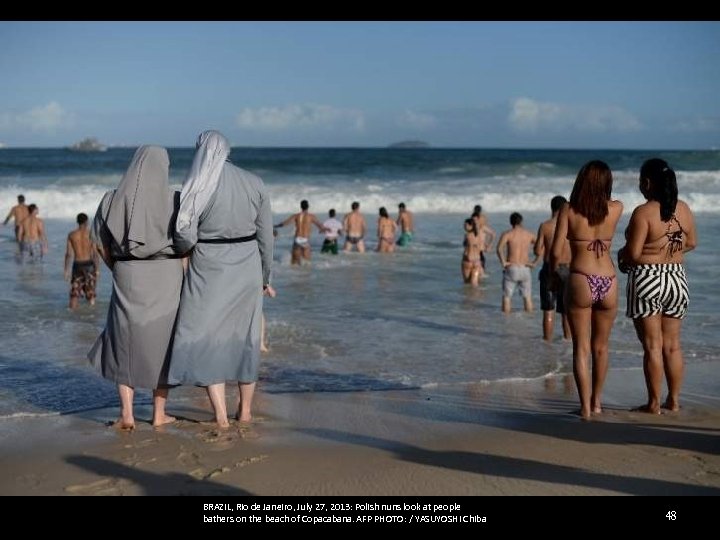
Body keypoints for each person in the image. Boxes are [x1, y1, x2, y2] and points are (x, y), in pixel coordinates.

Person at [168, 130, 275, 429]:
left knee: (206, 339)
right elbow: (266, 236)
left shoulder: (198, 183)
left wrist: (180, 250)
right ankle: (245, 412)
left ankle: (220, 415)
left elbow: (185, 236)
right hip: (248, 265)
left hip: (209, 266)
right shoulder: (255, 182)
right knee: (246, 338)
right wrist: (265, 276)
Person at [88, 146, 184, 430]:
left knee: (123, 342)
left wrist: (116, 267)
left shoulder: (110, 200)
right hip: (167, 273)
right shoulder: (175, 200)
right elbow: (187, 242)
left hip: (126, 273)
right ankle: (158, 414)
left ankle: (127, 415)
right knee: (163, 343)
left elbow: (99, 243)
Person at [617, 158, 697, 414]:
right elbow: (692, 243)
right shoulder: (683, 208)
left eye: (641, 180)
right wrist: (668, 251)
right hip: (677, 277)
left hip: (648, 278)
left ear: (648, 182)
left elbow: (633, 253)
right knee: (672, 345)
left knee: (652, 346)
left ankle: (653, 403)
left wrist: (623, 255)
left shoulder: (643, 212)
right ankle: (673, 400)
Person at [551, 160, 623, 420]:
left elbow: (556, 251)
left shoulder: (568, 211)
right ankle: (597, 403)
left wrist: (552, 275)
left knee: (581, 348)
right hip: (609, 280)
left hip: (581, 277)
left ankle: (584, 409)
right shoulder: (616, 209)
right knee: (601, 348)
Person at [535, 195, 571, 341]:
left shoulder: (545, 226)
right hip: (568, 270)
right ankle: (567, 342)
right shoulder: (572, 226)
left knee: (548, 309)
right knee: (566, 311)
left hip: (550, 268)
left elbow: (537, 251)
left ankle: (547, 343)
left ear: (552, 208)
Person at [496, 212, 538, 312]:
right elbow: (542, 247)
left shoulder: (508, 234)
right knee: (527, 297)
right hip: (525, 268)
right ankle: (529, 320)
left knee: (507, 297)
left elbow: (499, 249)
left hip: (512, 267)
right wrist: (535, 262)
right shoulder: (529, 234)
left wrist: (503, 262)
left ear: (511, 222)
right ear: (521, 221)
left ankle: (505, 322)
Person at [64, 212, 100, 309]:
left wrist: (66, 270)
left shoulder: (71, 235)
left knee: (74, 294)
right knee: (90, 293)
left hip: (77, 265)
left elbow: (68, 254)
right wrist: (97, 269)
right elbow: (95, 254)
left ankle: (72, 316)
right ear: (87, 222)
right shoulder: (91, 234)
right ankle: (92, 315)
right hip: (89, 265)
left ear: (77, 222)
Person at [276, 200, 326, 265]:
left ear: (301, 207)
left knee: (294, 263)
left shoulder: (296, 216)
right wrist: (323, 230)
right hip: (305, 240)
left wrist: (276, 226)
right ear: (308, 207)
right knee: (307, 263)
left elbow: (285, 223)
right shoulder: (311, 216)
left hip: (297, 239)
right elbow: (320, 225)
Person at [471, 205, 496, 271]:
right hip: (476, 249)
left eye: (476, 220)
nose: (475, 221)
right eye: (474, 220)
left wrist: (488, 245)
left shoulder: (481, 223)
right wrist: (487, 244)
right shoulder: (483, 218)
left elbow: (492, 233)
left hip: (478, 249)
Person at [461, 217, 484, 286]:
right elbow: (481, 248)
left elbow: (465, 245)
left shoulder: (467, 235)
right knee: (475, 285)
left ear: (471, 226)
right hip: (477, 261)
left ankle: (469, 296)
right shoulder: (480, 236)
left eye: (466, 225)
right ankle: (477, 296)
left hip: (467, 260)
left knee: (467, 283)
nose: (464, 227)